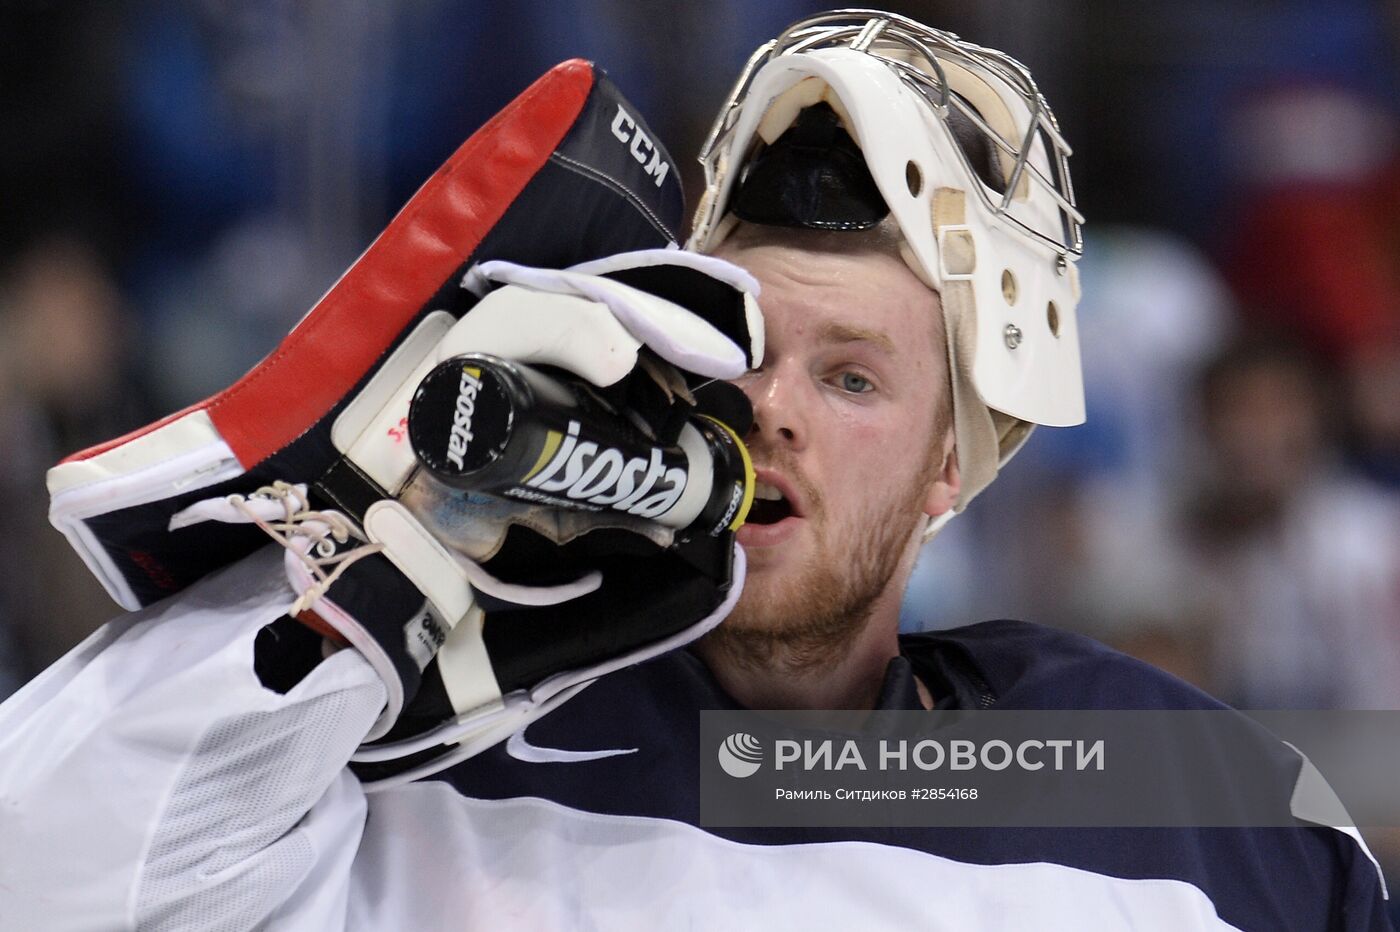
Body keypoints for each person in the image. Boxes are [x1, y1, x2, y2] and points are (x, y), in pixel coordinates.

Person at [0, 11, 1390, 930]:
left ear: (950, 473)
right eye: (745, 348)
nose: (771, 406)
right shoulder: (414, 749)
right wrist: (376, 548)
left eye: (852, 378)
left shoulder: (1190, 805)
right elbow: (38, 877)